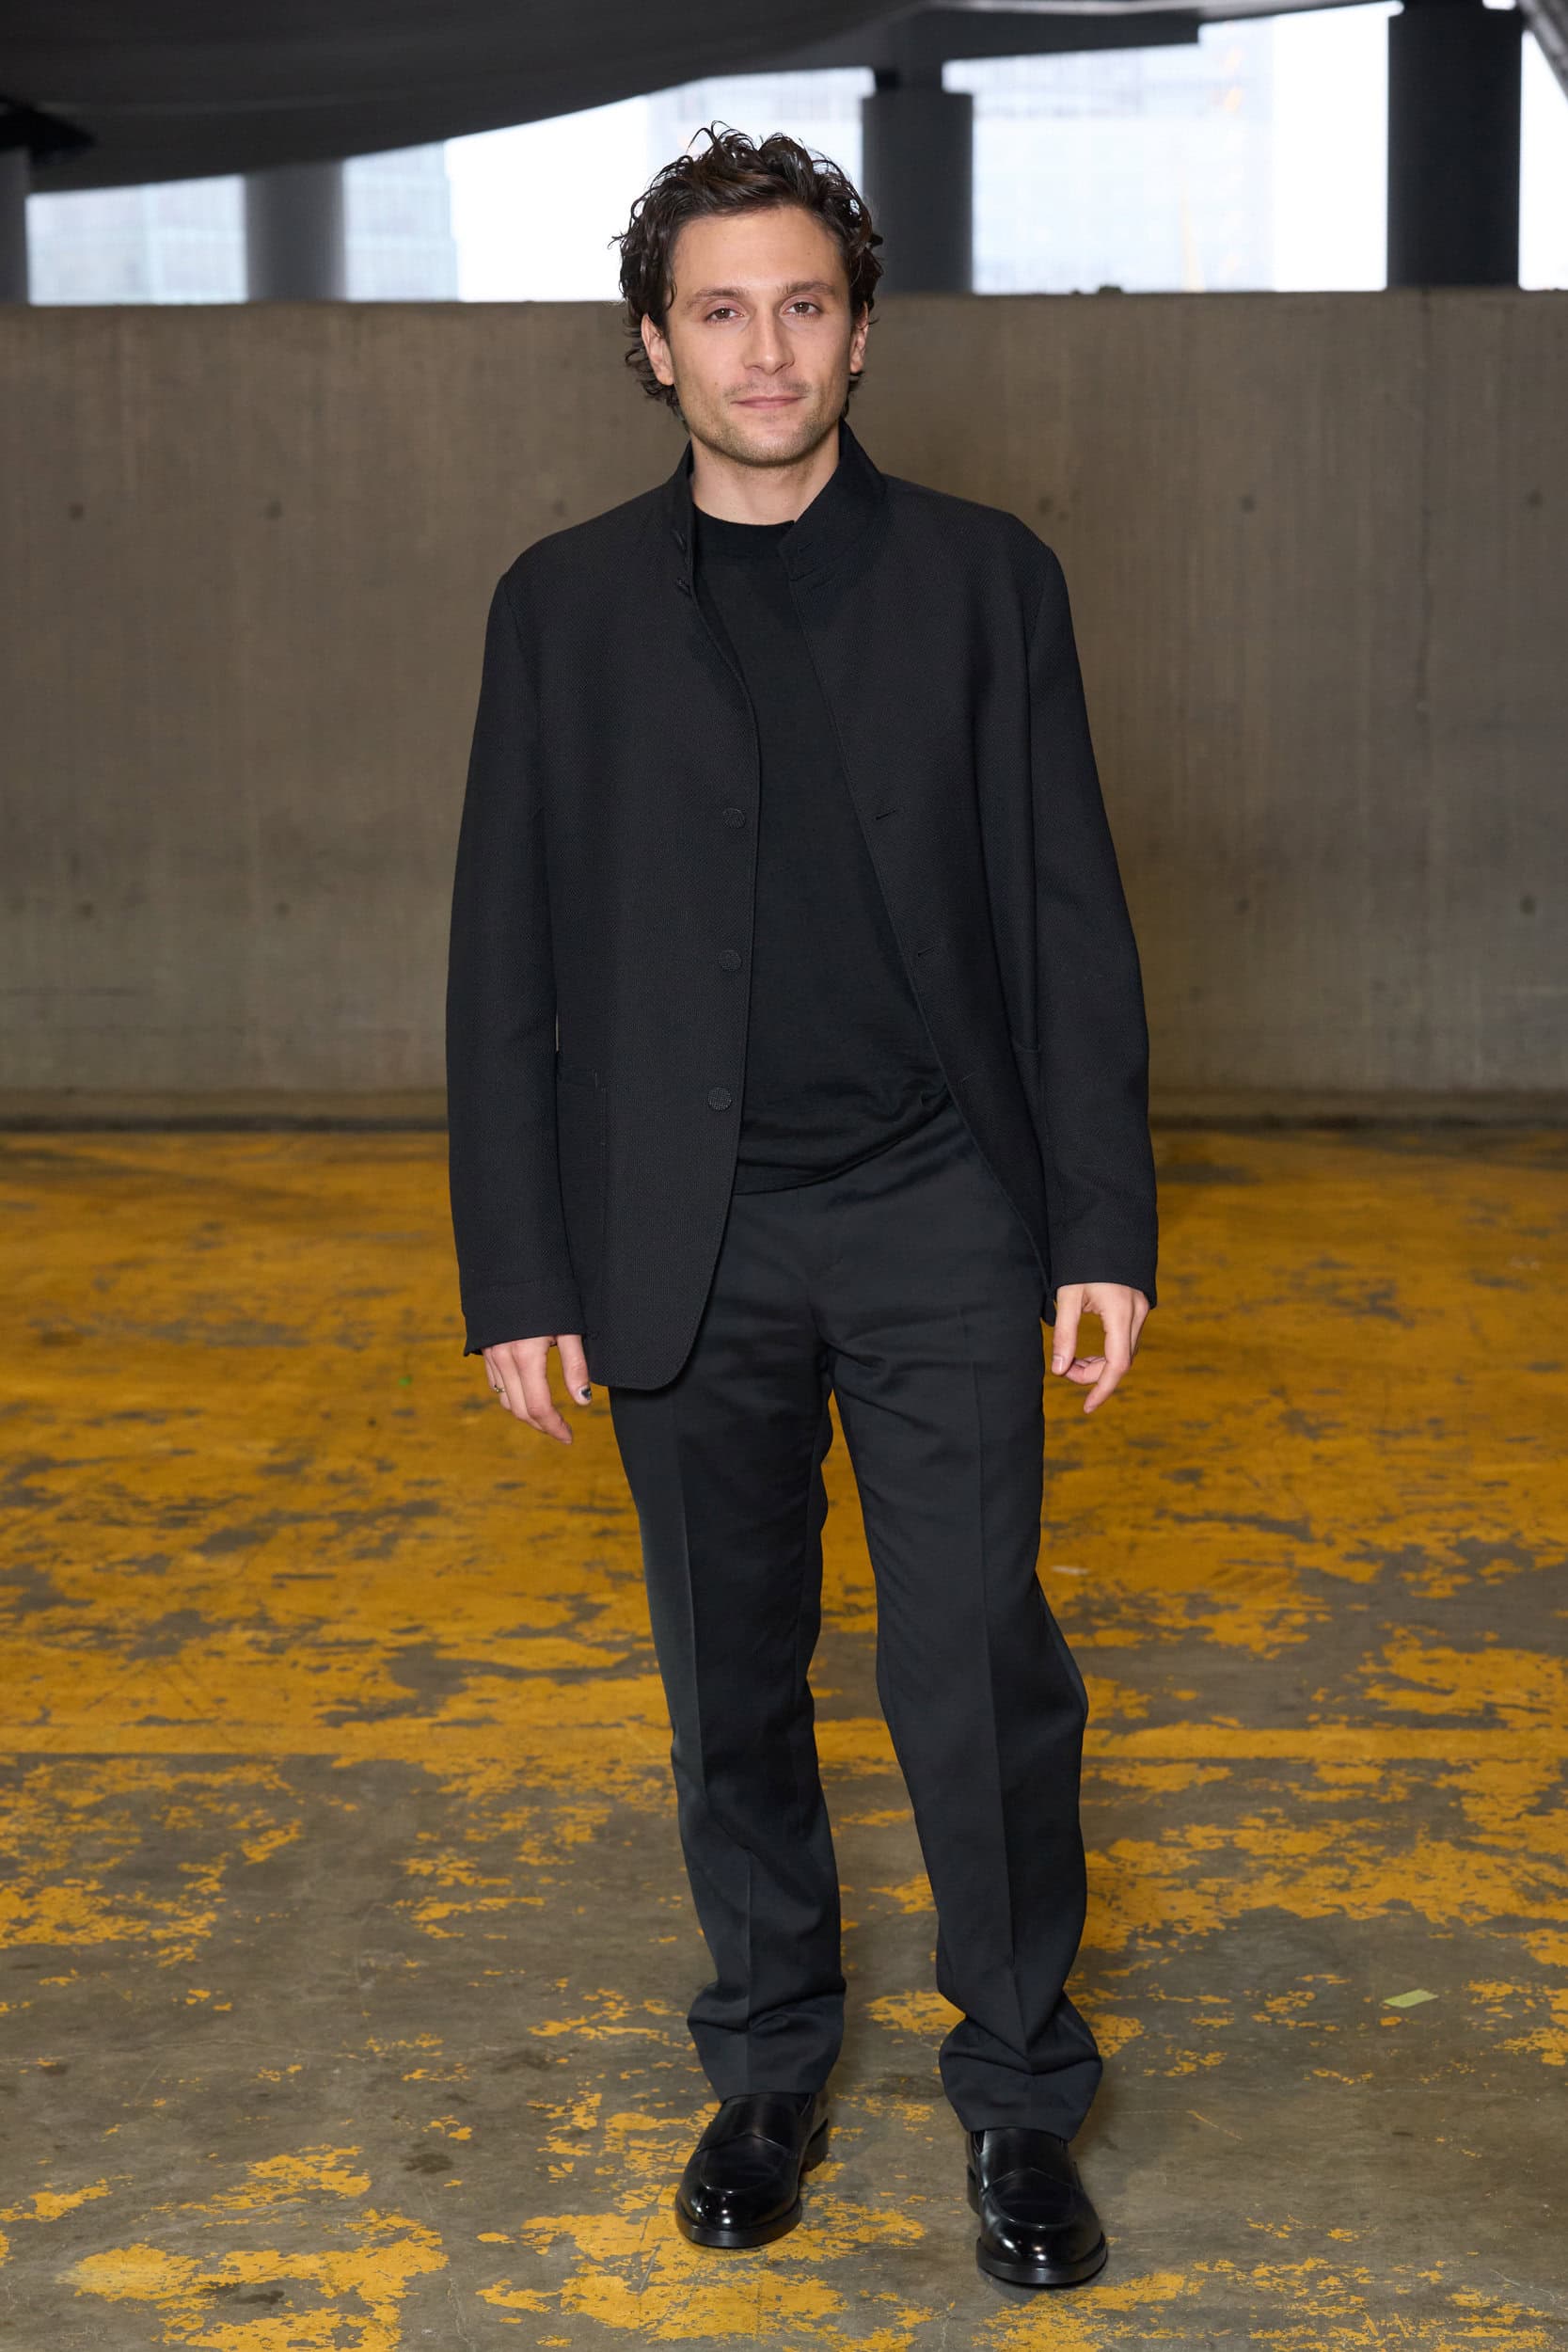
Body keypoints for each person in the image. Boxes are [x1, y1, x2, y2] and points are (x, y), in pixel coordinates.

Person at [445, 124, 1157, 2293]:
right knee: (728, 1678)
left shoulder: (988, 582)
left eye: (807, 304)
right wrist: (521, 1267)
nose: (768, 348)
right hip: (685, 1233)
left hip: (944, 1206)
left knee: (974, 1673)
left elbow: (1069, 917)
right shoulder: (562, 608)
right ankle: (767, 2063)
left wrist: (1100, 1223)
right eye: (721, 310)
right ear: (653, 347)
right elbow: (505, 959)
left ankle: (1019, 2086)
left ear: (861, 333)